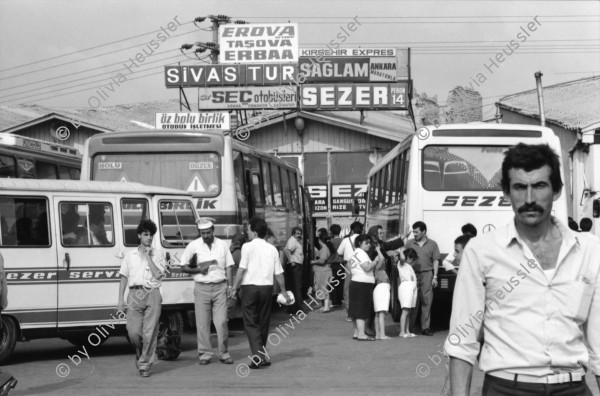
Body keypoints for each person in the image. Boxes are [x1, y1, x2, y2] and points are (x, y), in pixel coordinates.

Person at [445, 143, 600, 395]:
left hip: (572, 388)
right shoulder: (482, 251)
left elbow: (599, 341)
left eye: (539, 186)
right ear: (506, 193)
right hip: (506, 388)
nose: (529, 199)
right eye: (519, 187)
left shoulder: (590, 251)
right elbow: (462, 340)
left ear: (557, 190)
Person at [232, 217, 291, 369]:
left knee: (251, 323)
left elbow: (241, 270)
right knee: (263, 323)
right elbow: (279, 274)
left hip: (250, 288)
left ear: (255, 232)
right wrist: (283, 291)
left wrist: (234, 288)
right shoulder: (272, 249)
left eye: (249, 229)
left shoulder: (247, 247)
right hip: (266, 289)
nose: (248, 232)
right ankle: (262, 355)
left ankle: (258, 357)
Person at [181, 218, 234, 366]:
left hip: (220, 287)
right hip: (201, 288)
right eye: (202, 233)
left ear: (213, 230)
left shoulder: (222, 245)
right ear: (199, 232)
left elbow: (229, 266)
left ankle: (224, 353)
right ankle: (204, 354)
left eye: (208, 233)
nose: (205, 236)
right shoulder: (193, 246)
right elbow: (183, 266)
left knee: (222, 321)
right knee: (203, 323)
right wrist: (198, 270)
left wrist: (230, 287)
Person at [117, 219, 165, 377]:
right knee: (133, 332)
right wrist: (120, 299)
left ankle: (145, 365)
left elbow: (158, 275)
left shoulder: (158, 254)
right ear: (139, 235)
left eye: (151, 235)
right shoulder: (130, 255)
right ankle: (140, 354)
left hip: (152, 293)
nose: (149, 238)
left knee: (150, 332)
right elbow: (123, 276)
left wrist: (148, 257)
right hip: (134, 295)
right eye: (146, 235)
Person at [404, 221, 440, 336]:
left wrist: (435, 277)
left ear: (424, 231)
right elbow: (402, 258)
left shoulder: (433, 244)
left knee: (427, 302)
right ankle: (409, 328)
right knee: (412, 302)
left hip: (427, 275)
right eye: (413, 231)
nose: (414, 234)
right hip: (412, 275)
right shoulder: (409, 243)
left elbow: (436, 260)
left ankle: (425, 328)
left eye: (417, 232)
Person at [348, 234, 384, 341]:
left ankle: (357, 332)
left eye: (369, 243)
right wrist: (375, 261)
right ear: (360, 243)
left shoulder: (356, 253)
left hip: (357, 283)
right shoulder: (361, 253)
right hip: (362, 284)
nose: (369, 245)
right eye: (366, 243)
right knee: (361, 310)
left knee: (355, 310)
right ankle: (362, 334)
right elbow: (367, 268)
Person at [337, 221, 363, 320]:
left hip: (349, 265)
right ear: (362, 230)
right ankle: (360, 312)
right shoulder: (365, 240)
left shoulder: (346, 240)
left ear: (351, 230)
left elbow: (339, 252)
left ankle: (350, 313)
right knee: (361, 288)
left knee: (348, 289)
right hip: (362, 265)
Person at [310, 228, 333, 313]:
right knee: (321, 288)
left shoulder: (324, 248)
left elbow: (322, 260)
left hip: (324, 271)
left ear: (320, 240)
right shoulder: (324, 248)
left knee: (324, 289)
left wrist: (314, 262)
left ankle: (326, 306)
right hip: (321, 271)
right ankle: (323, 305)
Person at [397, 248, 418, 338]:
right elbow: (402, 258)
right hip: (406, 287)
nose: (413, 261)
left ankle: (407, 330)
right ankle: (402, 332)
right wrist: (401, 250)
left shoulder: (409, 266)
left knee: (409, 311)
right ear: (408, 257)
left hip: (412, 287)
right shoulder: (401, 264)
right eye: (412, 259)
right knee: (405, 310)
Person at [283, 226, 304, 312]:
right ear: (293, 234)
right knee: (297, 287)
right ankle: (298, 308)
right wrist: (291, 261)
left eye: (300, 233)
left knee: (293, 287)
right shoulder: (293, 241)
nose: (299, 235)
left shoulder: (294, 241)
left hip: (295, 266)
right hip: (295, 266)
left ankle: (292, 308)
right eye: (297, 233)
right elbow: (287, 250)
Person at [372, 256, 391, 340]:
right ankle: (382, 335)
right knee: (381, 313)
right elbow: (382, 258)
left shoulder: (379, 269)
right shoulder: (378, 268)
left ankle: (378, 334)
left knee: (377, 313)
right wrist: (378, 249)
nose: (384, 262)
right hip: (382, 289)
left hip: (379, 289)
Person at [328, 224, 345, 307]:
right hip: (342, 264)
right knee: (341, 283)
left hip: (333, 264)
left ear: (331, 232)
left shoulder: (330, 241)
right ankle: (340, 300)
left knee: (333, 283)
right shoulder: (343, 240)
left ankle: (334, 301)